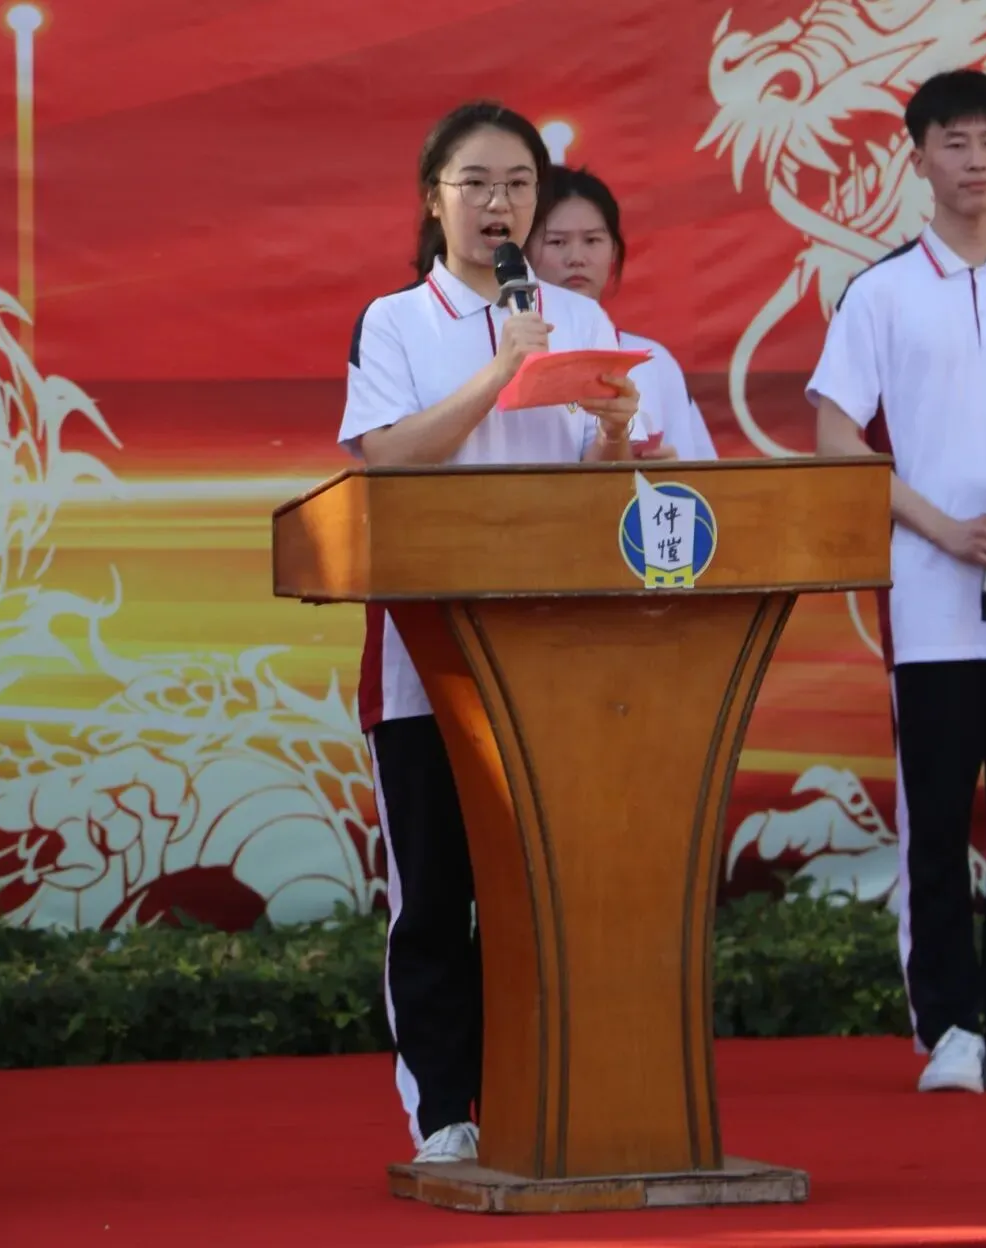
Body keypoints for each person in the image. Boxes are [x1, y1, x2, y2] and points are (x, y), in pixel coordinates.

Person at [337, 101, 641, 1163]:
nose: (499, 203)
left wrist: (609, 440)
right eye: (475, 183)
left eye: (518, 182)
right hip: (431, 657)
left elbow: (602, 496)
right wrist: (499, 370)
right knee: (440, 892)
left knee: (542, 890)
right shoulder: (396, 320)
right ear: (436, 198)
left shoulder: (582, 319)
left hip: (553, 655)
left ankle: (541, 1090)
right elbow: (389, 456)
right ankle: (444, 1114)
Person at [806, 69, 986, 1094]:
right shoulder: (881, 293)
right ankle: (948, 1025)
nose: (977, 162)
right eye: (955, 143)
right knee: (939, 814)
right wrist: (943, 531)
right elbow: (834, 438)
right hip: (930, 599)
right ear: (918, 158)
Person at [527, 164, 718, 460]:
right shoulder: (506, 355)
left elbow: (702, 477)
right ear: (524, 252)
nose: (576, 258)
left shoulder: (654, 362)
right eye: (557, 242)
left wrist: (673, 476)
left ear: (614, 251)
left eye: (592, 240)